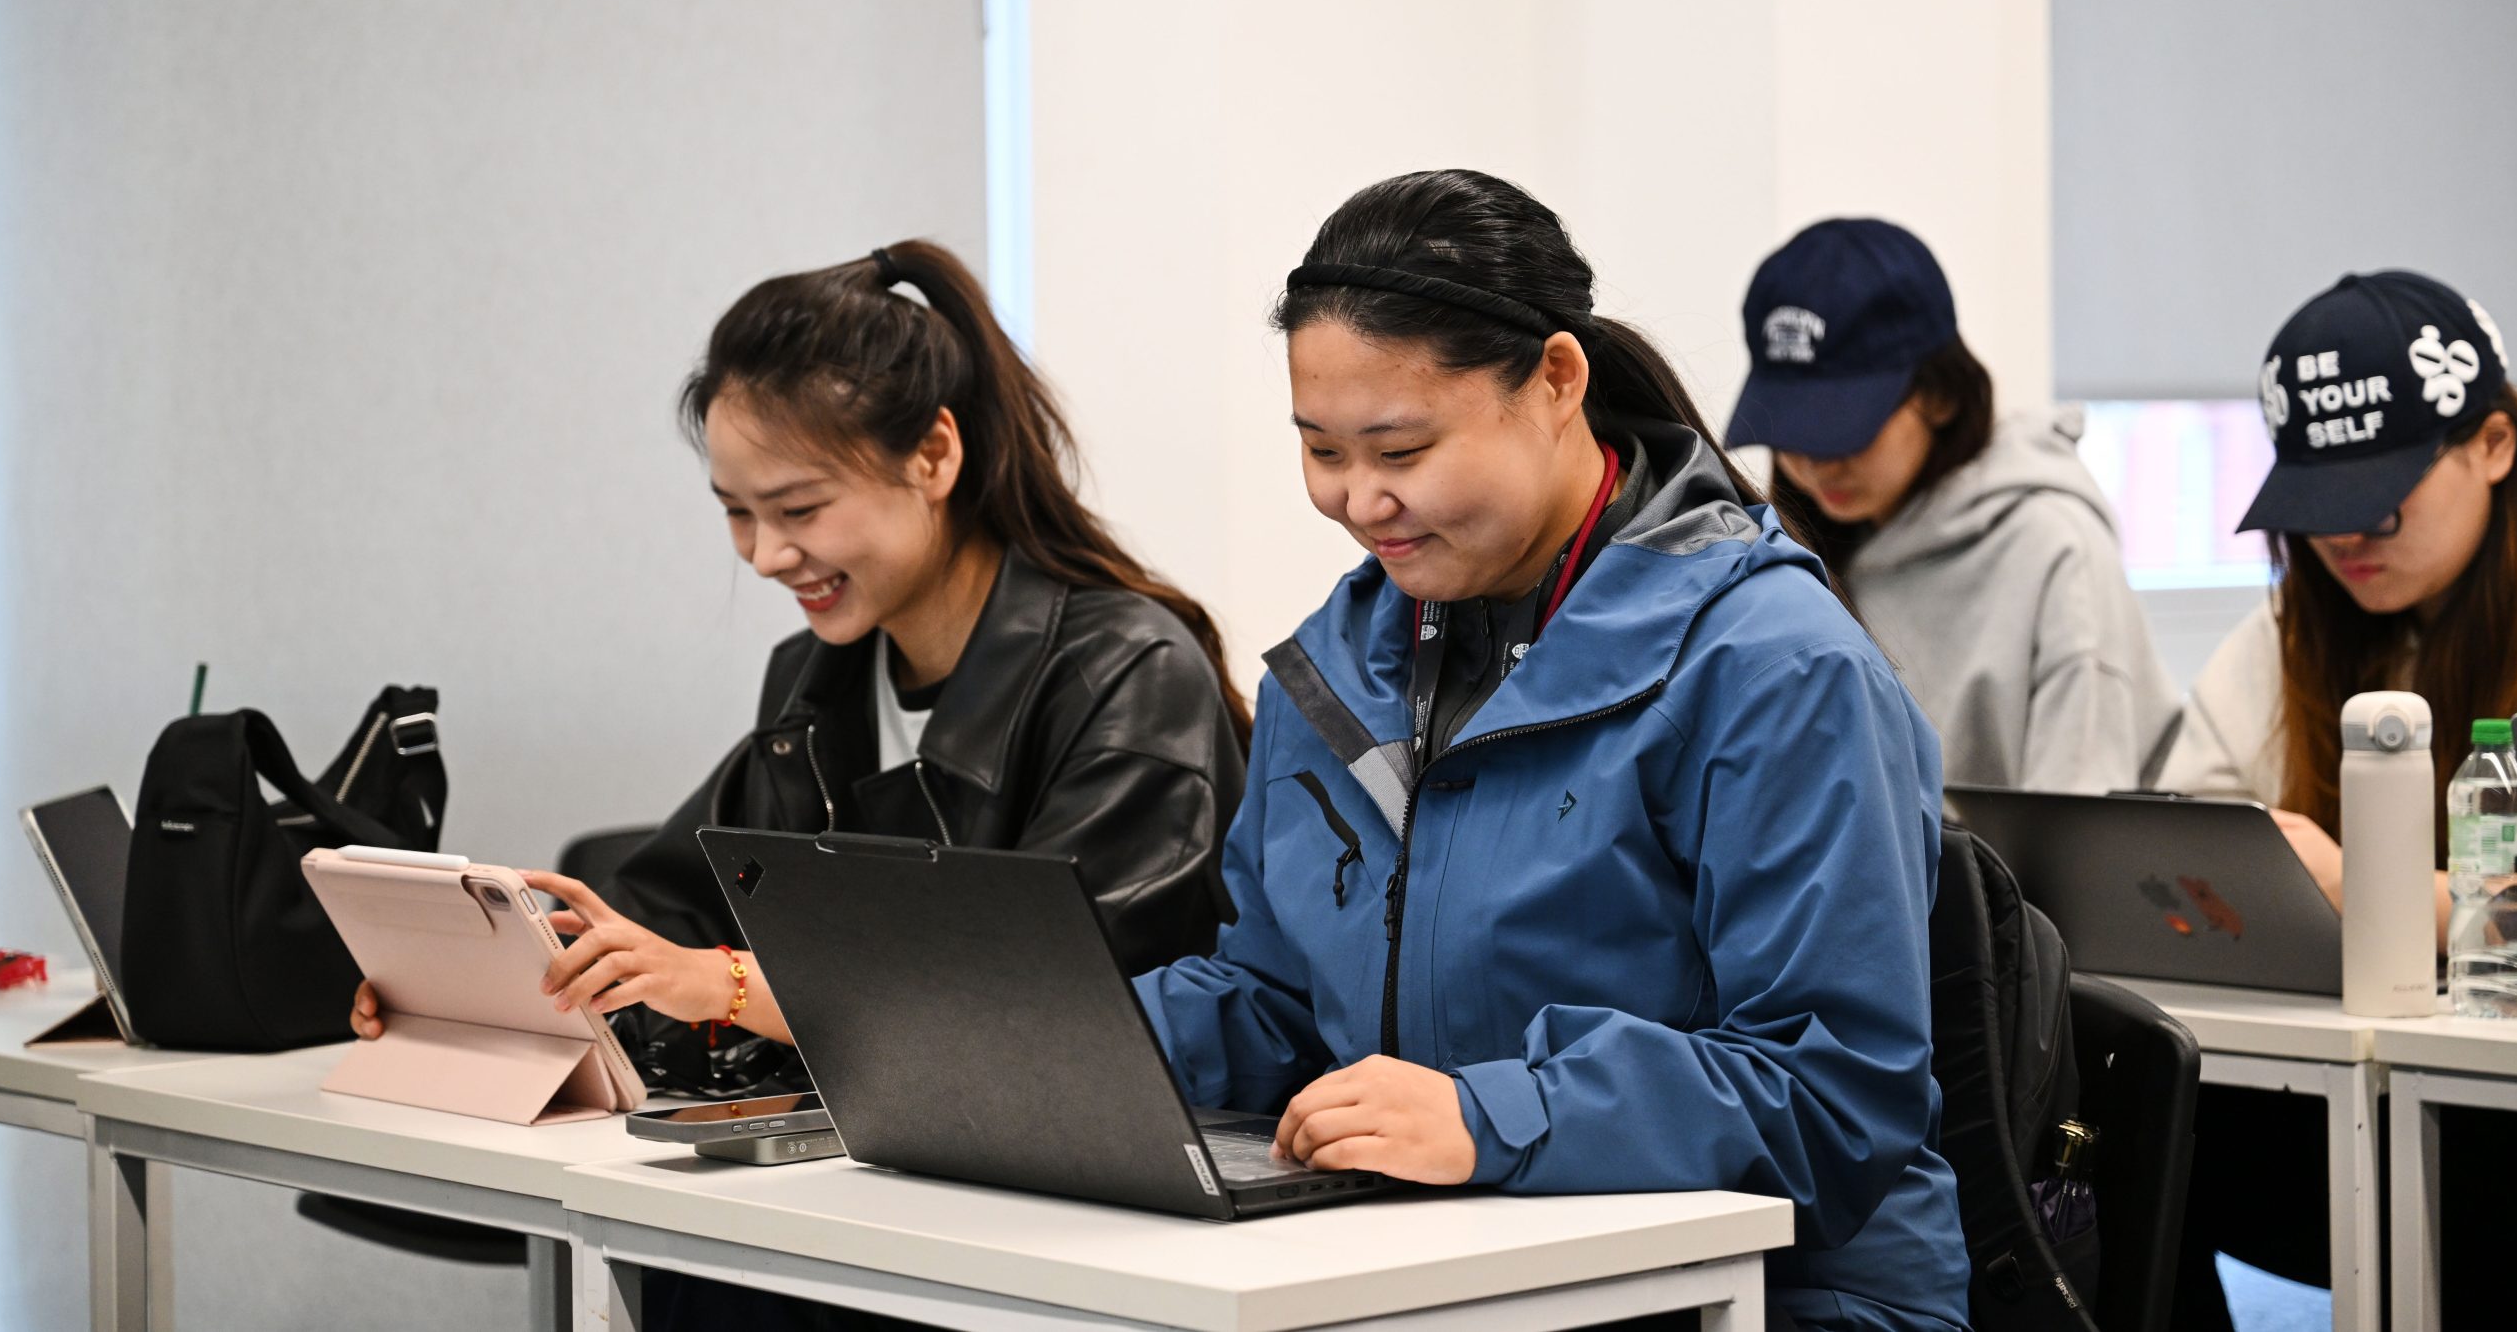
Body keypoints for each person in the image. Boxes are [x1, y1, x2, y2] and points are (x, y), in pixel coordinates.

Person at [1133, 171, 1969, 1332]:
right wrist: (1005, 1049)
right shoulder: (1338, 667)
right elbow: (1275, 1004)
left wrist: (1495, 1119)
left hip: (1777, 1298)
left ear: (1557, 381)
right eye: (1322, 452)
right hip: (1457, 1273)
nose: (1360, 501)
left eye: (1402, 447)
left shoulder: (1770, 666)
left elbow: (1832, 1094)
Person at [350, 240, 1248, 1089]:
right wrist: (480, 986)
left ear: (933, 455)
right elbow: (668, 912)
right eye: (737, 512)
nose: (766, 555)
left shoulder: (1130, 680)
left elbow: (1046, 1009)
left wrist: (731, 986)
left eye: (799, 508)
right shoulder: (817, 683)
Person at [2154, 268, 2517, 1329]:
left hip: (2504, 1120)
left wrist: (2359, 884)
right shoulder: (2289, 635)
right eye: (2315, 508)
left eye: (2380, 500)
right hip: (2344, 1100)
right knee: (2120, 1124)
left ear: (2494, 447)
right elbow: (2184, 840)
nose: (2343, 541)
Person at [1728, 217, 2178, 793]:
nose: (1817, 464)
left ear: (1939, 395)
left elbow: (2080, 843)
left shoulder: (2055, 551)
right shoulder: (1792, 553)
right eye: (1793, 431)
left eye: (1841, 429)